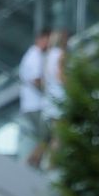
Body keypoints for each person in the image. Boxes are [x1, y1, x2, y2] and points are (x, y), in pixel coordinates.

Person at [17, 28, 50, 167]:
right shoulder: (35, 56)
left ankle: (34, 160)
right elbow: (36, 80)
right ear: (41, 39)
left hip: (30, 104)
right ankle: (32, 161)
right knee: (47, 135)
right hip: (35, 105)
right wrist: (51, 90)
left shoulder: (31, 55)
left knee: (44, 136)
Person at [41, 27, 68, 167]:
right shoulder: (61, 54)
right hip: (59, 99)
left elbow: (45, 80)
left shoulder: (48, 55)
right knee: (59, 137)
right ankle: (51, 165)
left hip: (49, 100)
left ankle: (48, 164)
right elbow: (61, 77)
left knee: (53, 136)